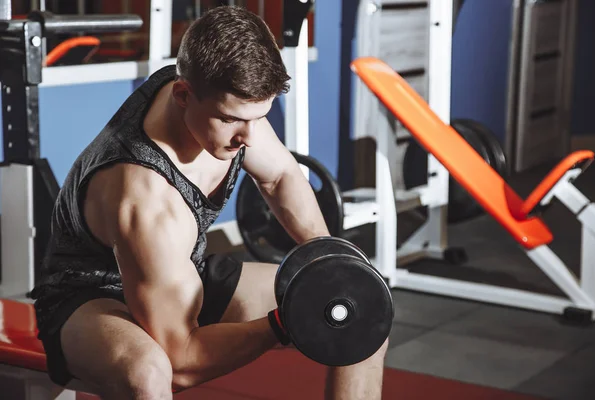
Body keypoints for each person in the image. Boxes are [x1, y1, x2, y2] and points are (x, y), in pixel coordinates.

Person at [31, 5, 388, 400]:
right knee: (148, 372)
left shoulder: (217, 100)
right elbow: (181, 362)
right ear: (183, 95)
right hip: (91, 297)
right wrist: (281, 324)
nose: (249, 139)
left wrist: (326, 260)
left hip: (177, 272)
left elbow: (281, 175)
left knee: (359, 300)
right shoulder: (144, 196)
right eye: (233, 120)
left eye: (258, 118)